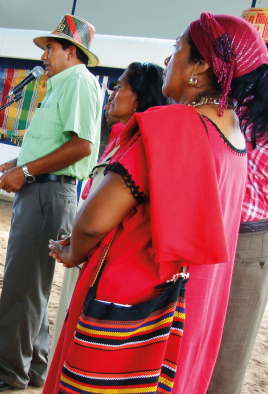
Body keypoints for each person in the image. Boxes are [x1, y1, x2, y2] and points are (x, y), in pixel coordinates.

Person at [43, 13, 268, 394]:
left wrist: (73, 250)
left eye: (177, 50)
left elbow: (93, 221)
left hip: (133, 299)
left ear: (200, 67)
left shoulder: (173, 126)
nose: (168, 61)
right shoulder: (233, 132)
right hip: (188, 307)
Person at [0, 14, 102, 392]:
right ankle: (34, 368)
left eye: (51, 47)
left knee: (23, 285)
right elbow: (57, 144)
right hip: (40, 190)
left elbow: (82, 147)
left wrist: (26, 172)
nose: (44, 55)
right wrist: (19, 164)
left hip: (48, 193)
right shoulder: (59, 85)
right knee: (32, 285)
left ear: (72, 52)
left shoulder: (78, 82)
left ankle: (9, 371)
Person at [49, 62, 170, 364]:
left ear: (140, 98)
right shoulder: (119, 138)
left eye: (120, 87)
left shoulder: (142, 145)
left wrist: (77, 248)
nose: (112, 93)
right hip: (85, 252)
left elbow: (106, 219)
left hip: (101, 260)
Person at [206, 8, 268, 394]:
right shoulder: (230, 97)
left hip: (250, 242)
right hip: (212, 233)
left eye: (263, 48)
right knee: (195, 347)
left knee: (225, 360)